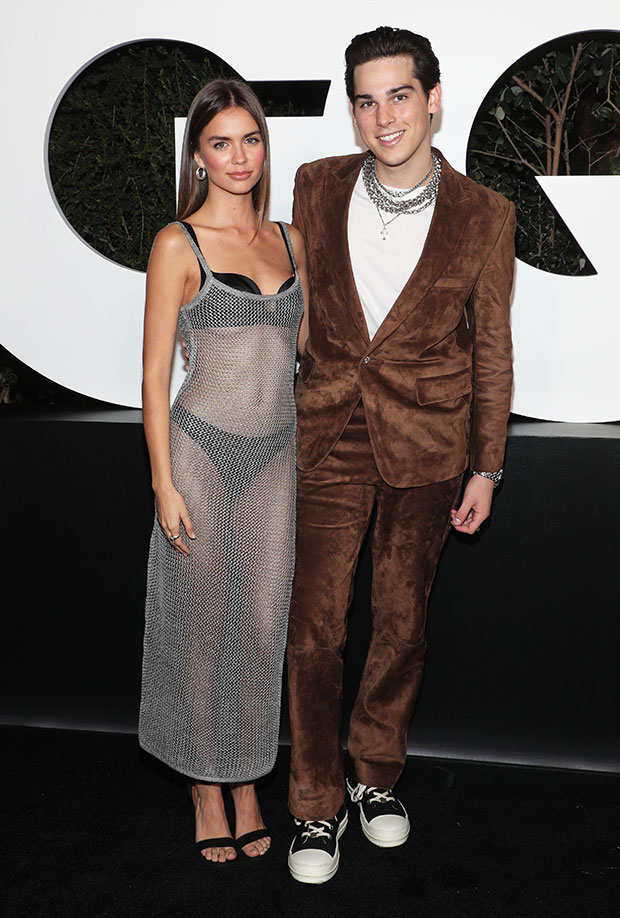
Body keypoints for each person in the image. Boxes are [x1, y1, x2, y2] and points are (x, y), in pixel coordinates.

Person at [286, 27, 516, 883]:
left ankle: (374, 776)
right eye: (367, 100)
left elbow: (492, 348)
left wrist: (487, 466)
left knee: (400, 624)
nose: (384, 116)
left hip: (429, 444)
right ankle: (314, 803)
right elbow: (290, 298)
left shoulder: (486, 214)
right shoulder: (315, 185)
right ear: (353, 111)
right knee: (313, 629)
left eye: (400, 96)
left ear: (433, 99)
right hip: (327, 434)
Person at [138, 79, 307, 865]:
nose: (239, 157)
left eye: (251, 139)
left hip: (275, 456)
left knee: (264, 624)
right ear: (198, 156)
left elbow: (307, 354)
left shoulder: (292, 240)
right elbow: (153, 377)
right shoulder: (179, 243)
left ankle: (247, 775)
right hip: (200, 450)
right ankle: (208, 785)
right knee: (204, 623)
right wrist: (163, 483)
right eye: (220, 143)